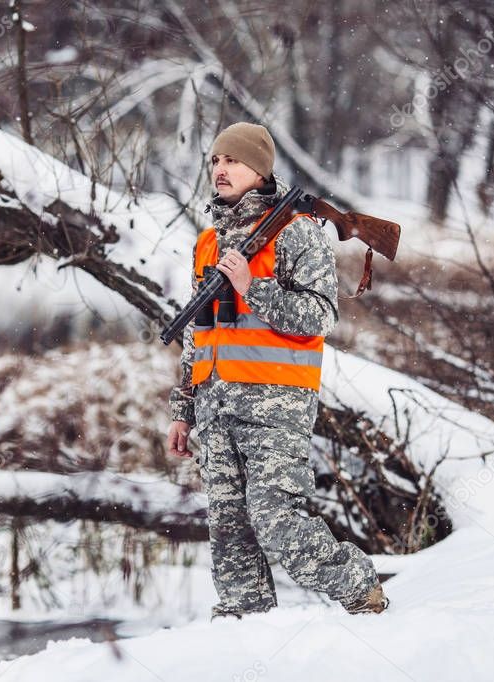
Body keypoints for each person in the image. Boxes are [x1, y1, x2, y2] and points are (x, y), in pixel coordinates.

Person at [166, 122, 389, 619]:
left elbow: (321, 317)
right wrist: (183, 410)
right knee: (228, 526)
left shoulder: (298, 232)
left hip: (276, 404)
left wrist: (253, 287)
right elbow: (197, 335)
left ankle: (361, 590)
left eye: (233, 161)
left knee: (276, 520)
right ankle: (246, 622)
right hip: (216, 405)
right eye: (216, 162)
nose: (220, 170)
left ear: (260, 170)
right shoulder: (209, 242)